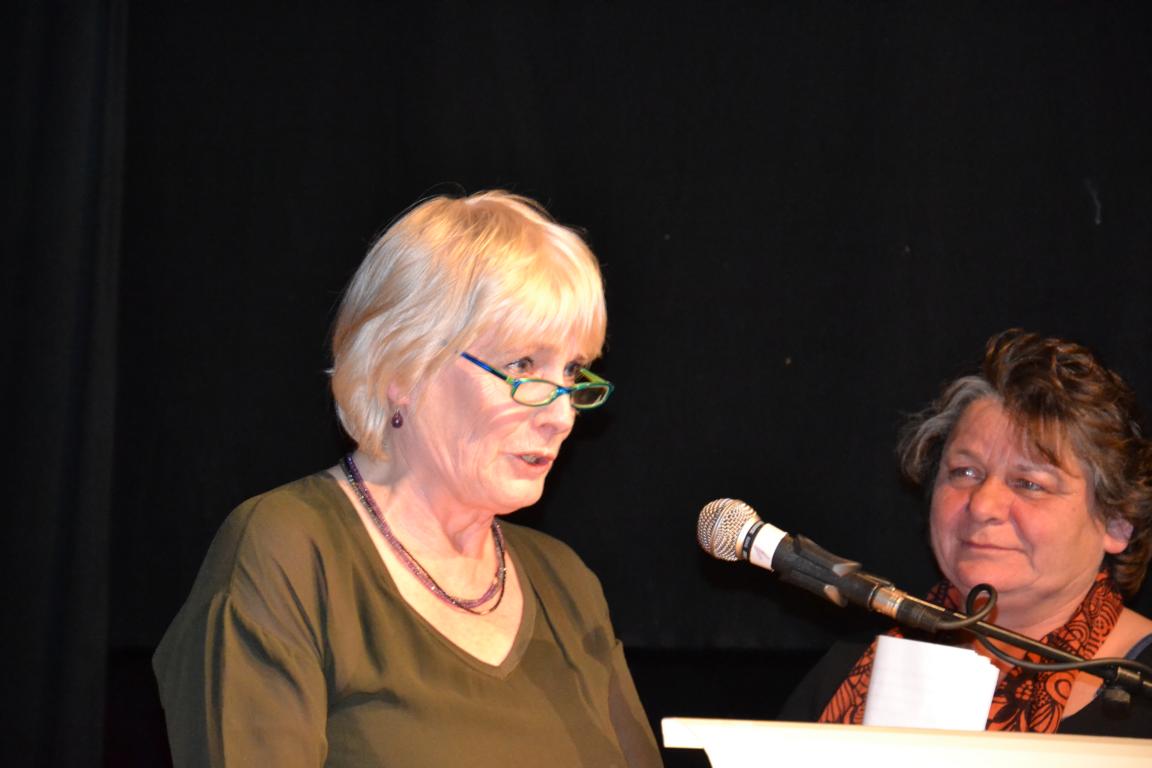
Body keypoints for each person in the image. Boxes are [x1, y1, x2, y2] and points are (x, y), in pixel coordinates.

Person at [153, 190, 663, 767]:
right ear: (403, 369)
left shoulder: (567, 585)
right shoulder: (289, 552)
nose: (562, 414)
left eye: (571, 372)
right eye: (523, 365)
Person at [780, 329, 1152, 737]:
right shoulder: (854, 669)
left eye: (1029, 483)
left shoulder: (1143, 690)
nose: (982, 505)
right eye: (965, 472)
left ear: (1117, 522)